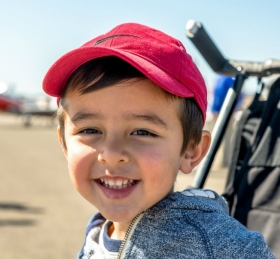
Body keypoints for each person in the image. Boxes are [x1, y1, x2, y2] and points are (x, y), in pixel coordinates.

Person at [42, 23, 275, 259]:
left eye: (142, 132)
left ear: (191, 150)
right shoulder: (97, 232)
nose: (111, 153)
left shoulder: (217, 243)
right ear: (64, 144)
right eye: (90, 129)